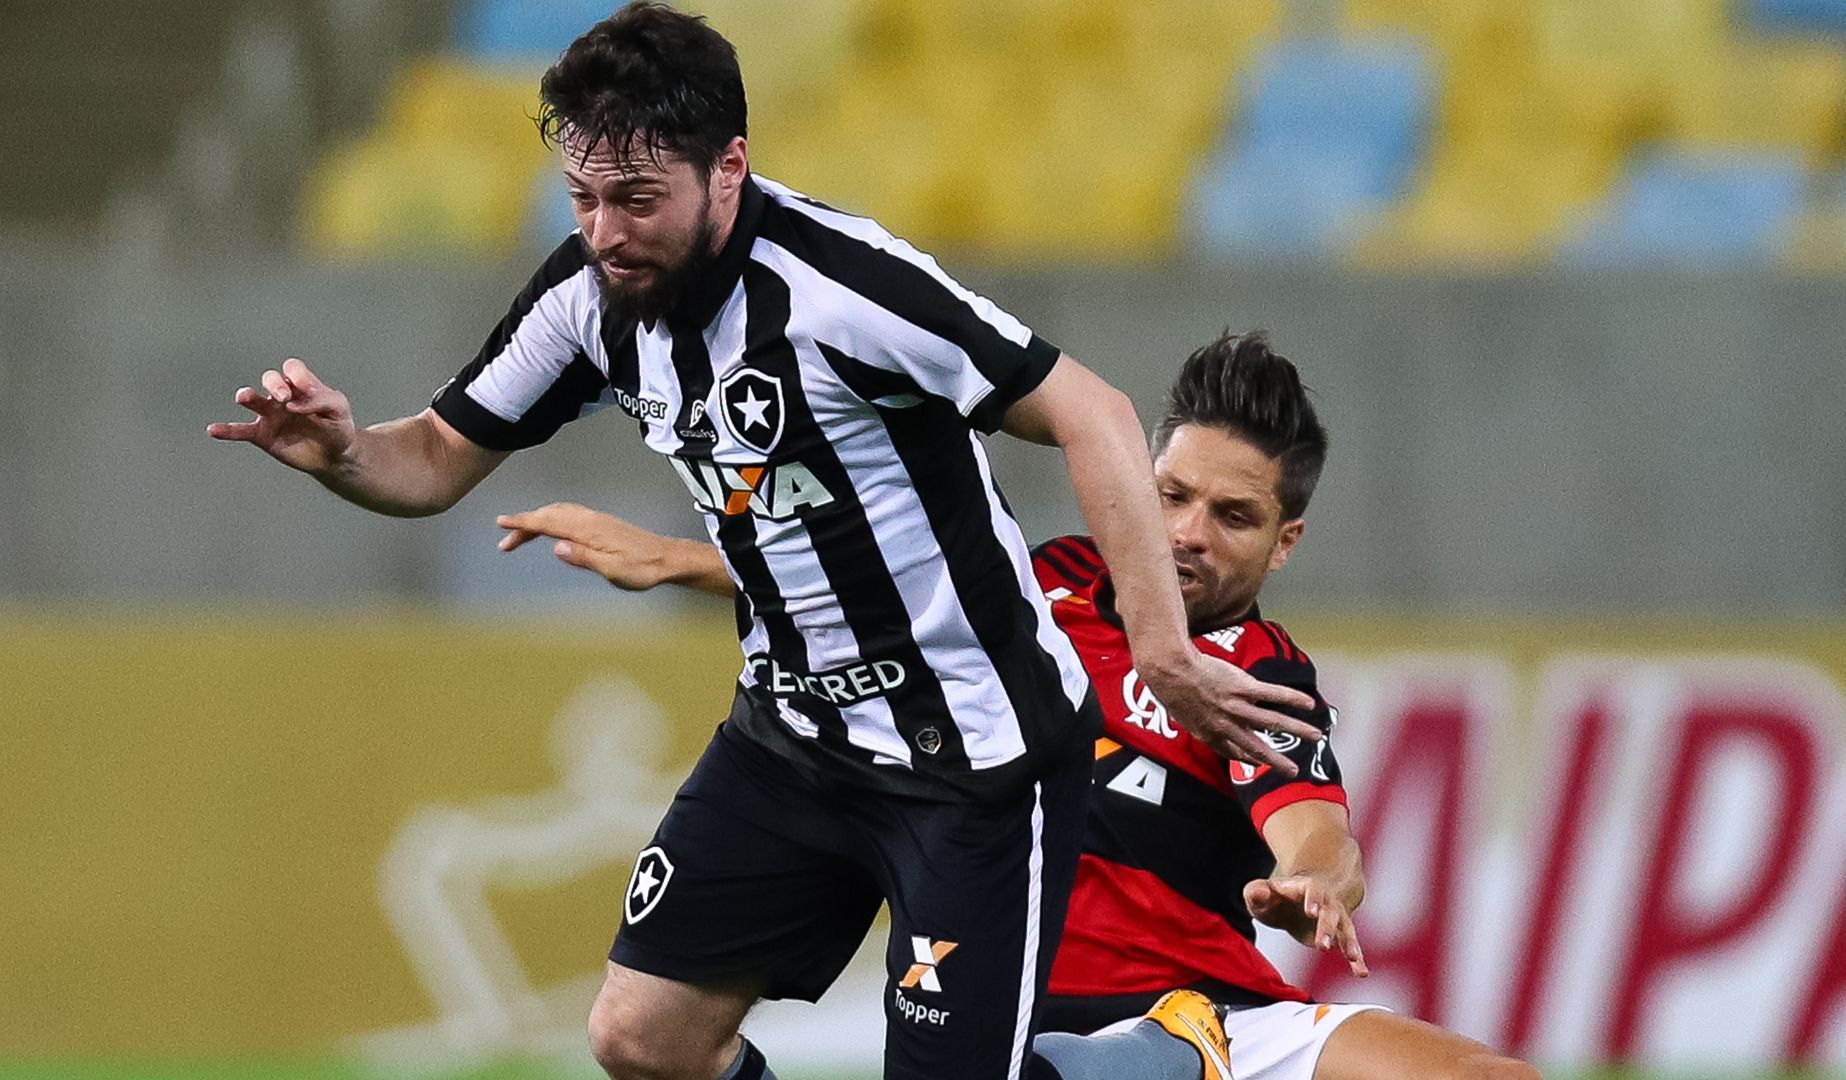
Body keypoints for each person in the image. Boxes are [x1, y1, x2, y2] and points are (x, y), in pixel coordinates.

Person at [207, 6, 1318, 1080]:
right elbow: (435, 457)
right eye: (583, 197)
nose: (604, 232)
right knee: (642, 1037)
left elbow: (1096, 412)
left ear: (728, 168)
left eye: (638, 199)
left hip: (975, 759)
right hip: (792, 735)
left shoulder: (844, 287)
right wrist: (345, 451)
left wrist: (1163, 650)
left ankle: (1156, 1062)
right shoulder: (586, 298)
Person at [499, 332, 1544, 1080]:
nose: (1188, 533)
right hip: (1005, 1013)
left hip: (1210, 1020)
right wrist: (671, 559)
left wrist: (1312, 882)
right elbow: (868, 586)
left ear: (1285, 544)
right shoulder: (1042, 583)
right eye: (1172, 495)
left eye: (1233, 516)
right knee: (645, 1040)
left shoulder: (1255, 673)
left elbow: (1317, 833)